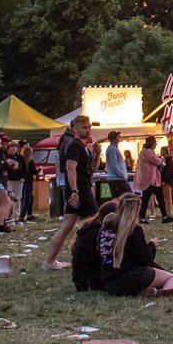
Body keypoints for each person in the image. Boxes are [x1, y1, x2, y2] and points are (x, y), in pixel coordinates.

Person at [98, 193, 173, 297]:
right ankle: (163, 292)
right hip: (133, 277)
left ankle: (143, 291)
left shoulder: (106, 228)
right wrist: (152, 245)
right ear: (136, 210)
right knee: (172, 278)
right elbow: (146, 258)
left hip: (109, 281)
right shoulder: (133, 230)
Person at [43, 115, 98, 269]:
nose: (88, 130)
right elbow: (70, 168)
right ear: (74, 128)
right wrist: (74, 191)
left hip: (80, 189)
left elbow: (90, 170)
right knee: (94, 223)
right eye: (84, 128)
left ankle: (50, 261)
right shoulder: (75, 146)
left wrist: (95, 155)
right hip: (80, 191)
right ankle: (87, 257)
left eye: (89, 127)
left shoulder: (82, 147)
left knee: (67, 226)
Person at [136, 137, 168, 221]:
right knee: (160, 198)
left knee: (146, 199)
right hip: (151, 180)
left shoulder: (143, 151)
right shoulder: (148, 152)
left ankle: (142, 217)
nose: (156, 144)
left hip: (148, 179)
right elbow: (156, 161)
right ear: (152, 143)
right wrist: (162, 160)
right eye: (155, 143)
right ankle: (165, 216)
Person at [102, 132, 132, 198]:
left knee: (121, 198)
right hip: (117, 179)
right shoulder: (112, 149)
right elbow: (114, 165)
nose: (119, 138)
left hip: (116, 179)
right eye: (118, 137)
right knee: (126, 197)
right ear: (115, 139)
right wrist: (122, 175)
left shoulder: (113, 149)